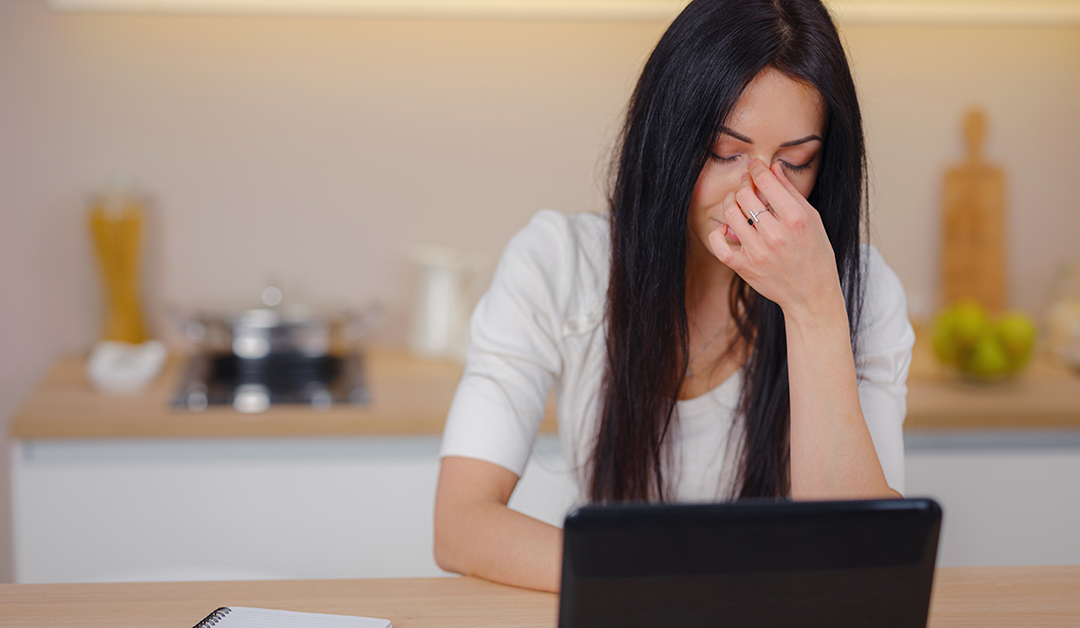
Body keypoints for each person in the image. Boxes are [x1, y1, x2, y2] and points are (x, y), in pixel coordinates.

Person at [433, 0, 915, 593]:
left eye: (795, 162)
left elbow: (860, 559)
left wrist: (813, 310)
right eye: (724, 152)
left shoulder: (860, 291)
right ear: (668, 137)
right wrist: (677, 585)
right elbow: (460, 525)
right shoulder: (559, 264)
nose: (759, 194)